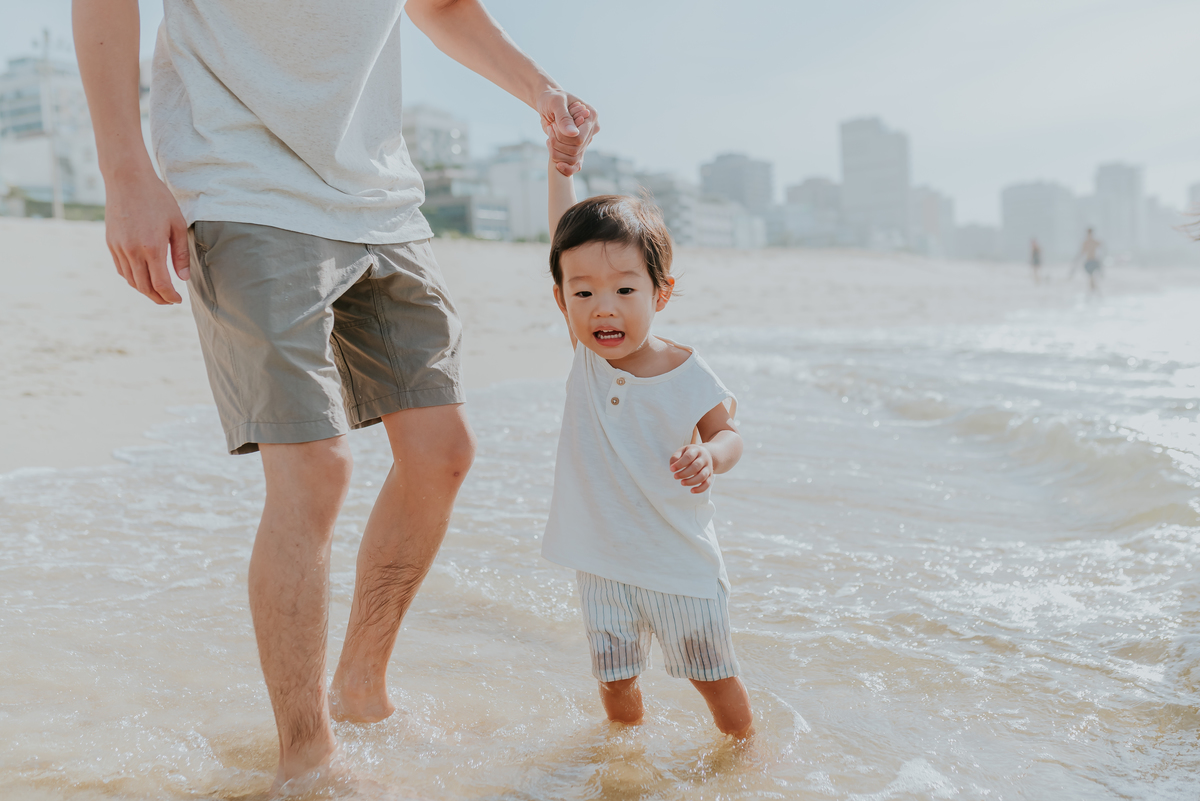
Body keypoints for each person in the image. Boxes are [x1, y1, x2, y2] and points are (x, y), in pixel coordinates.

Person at [73, 0, 598, 792]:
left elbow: (443, 5)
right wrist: (124, 171)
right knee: (316, 469)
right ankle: (306, 756)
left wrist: (540, 88)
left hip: (379, 195)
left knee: (442, 452)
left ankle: (361, 689)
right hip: (241, 177)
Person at [539, 131, 755, 738]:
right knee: (615, 679)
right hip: (603, 562)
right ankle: (625, 759)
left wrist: (710, 455)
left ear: (661, 293)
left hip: (677, 559)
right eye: (583, 293)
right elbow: (562, 238)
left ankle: (745, 758)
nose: (603, 308)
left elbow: (730, 433)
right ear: (562, 301)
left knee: (712, 676)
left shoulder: (687, 370)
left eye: (625, 290)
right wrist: (560, 167)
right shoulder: (587, 358)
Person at [1072, 227, 1104, 295]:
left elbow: (1101, 247)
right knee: (1091, 277)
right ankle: (1094, 290)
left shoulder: (1091, 242)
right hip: (1089, 261)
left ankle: (1093, 290)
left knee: (1092, 277)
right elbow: (1082, 252)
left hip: (1093, 261)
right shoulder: (1088, 242)